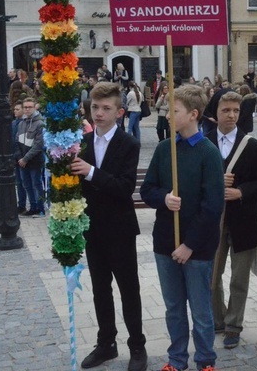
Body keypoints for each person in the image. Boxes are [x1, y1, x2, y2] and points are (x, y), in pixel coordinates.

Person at [140, 84, 225, 371]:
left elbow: (213, 206)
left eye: (173, 111)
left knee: (201, 311)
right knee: (174, 309)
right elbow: (147, 188)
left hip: (197, 247)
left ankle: (205, 360)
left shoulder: (208, 153)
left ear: (193, 114)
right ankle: (177, 359)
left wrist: (189, 245)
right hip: (165, 241)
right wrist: (163, 198)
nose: (167, 115)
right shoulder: (165, 150)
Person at [68, 83, 148, 371]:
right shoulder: (82, 142)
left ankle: (137, 345)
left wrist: (90, 172)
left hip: (120, 228)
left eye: (106, 108)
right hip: (93, 228)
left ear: (119, 111)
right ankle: (106, 343)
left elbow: (124, 188)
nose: (99, 113)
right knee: (100, 289)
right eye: (94, 108)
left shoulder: (129, 144)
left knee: (129, 289)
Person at [209, 91, 257, 349]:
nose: (232, 115)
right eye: (226, 110)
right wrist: (215, 182)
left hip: (244, 220)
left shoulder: (251, 145)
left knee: (239, 278)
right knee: (211, 276)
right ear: (217, 112)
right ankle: (218, 319)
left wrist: (241, 191)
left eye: (236, 110)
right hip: (213, 221)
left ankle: (234, 325)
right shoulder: (205, 143)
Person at [14, 98, 45, 217]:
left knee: (36, 184)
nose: (27, 109)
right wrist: (20, 158)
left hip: (34, 160)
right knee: (26, 184)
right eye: (25, 107)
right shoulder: (21, 123)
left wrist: (25, 158)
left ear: (34, 108)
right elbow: (17, 141)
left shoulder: (40, 123)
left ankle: (39, 208)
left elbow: (38, 144)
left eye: (29, 107)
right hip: (22, 161)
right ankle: (32, 206)